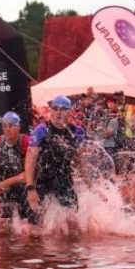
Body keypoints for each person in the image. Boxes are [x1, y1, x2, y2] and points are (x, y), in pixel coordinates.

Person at [26, 95, 85, 230]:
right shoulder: (41, 130)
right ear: (50, 110)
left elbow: (80, 161)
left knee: (73, 223)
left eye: (63, 109)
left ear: (69, 112)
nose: (58, 112)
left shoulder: (76, 132)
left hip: (64, 180)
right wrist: (30, 188)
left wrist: (91, 185)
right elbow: (30, 160)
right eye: (55, 108)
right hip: (43, 181)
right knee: (34, 227)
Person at [0, 111, 37, 233]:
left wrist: (5, 183)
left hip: (24, 192)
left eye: (11, 125)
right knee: (3, 231)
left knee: (28, 232)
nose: (7, 129)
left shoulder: (27, 142)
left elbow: (30, 174)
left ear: (19, 126)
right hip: (4, 193)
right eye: (4, 126)